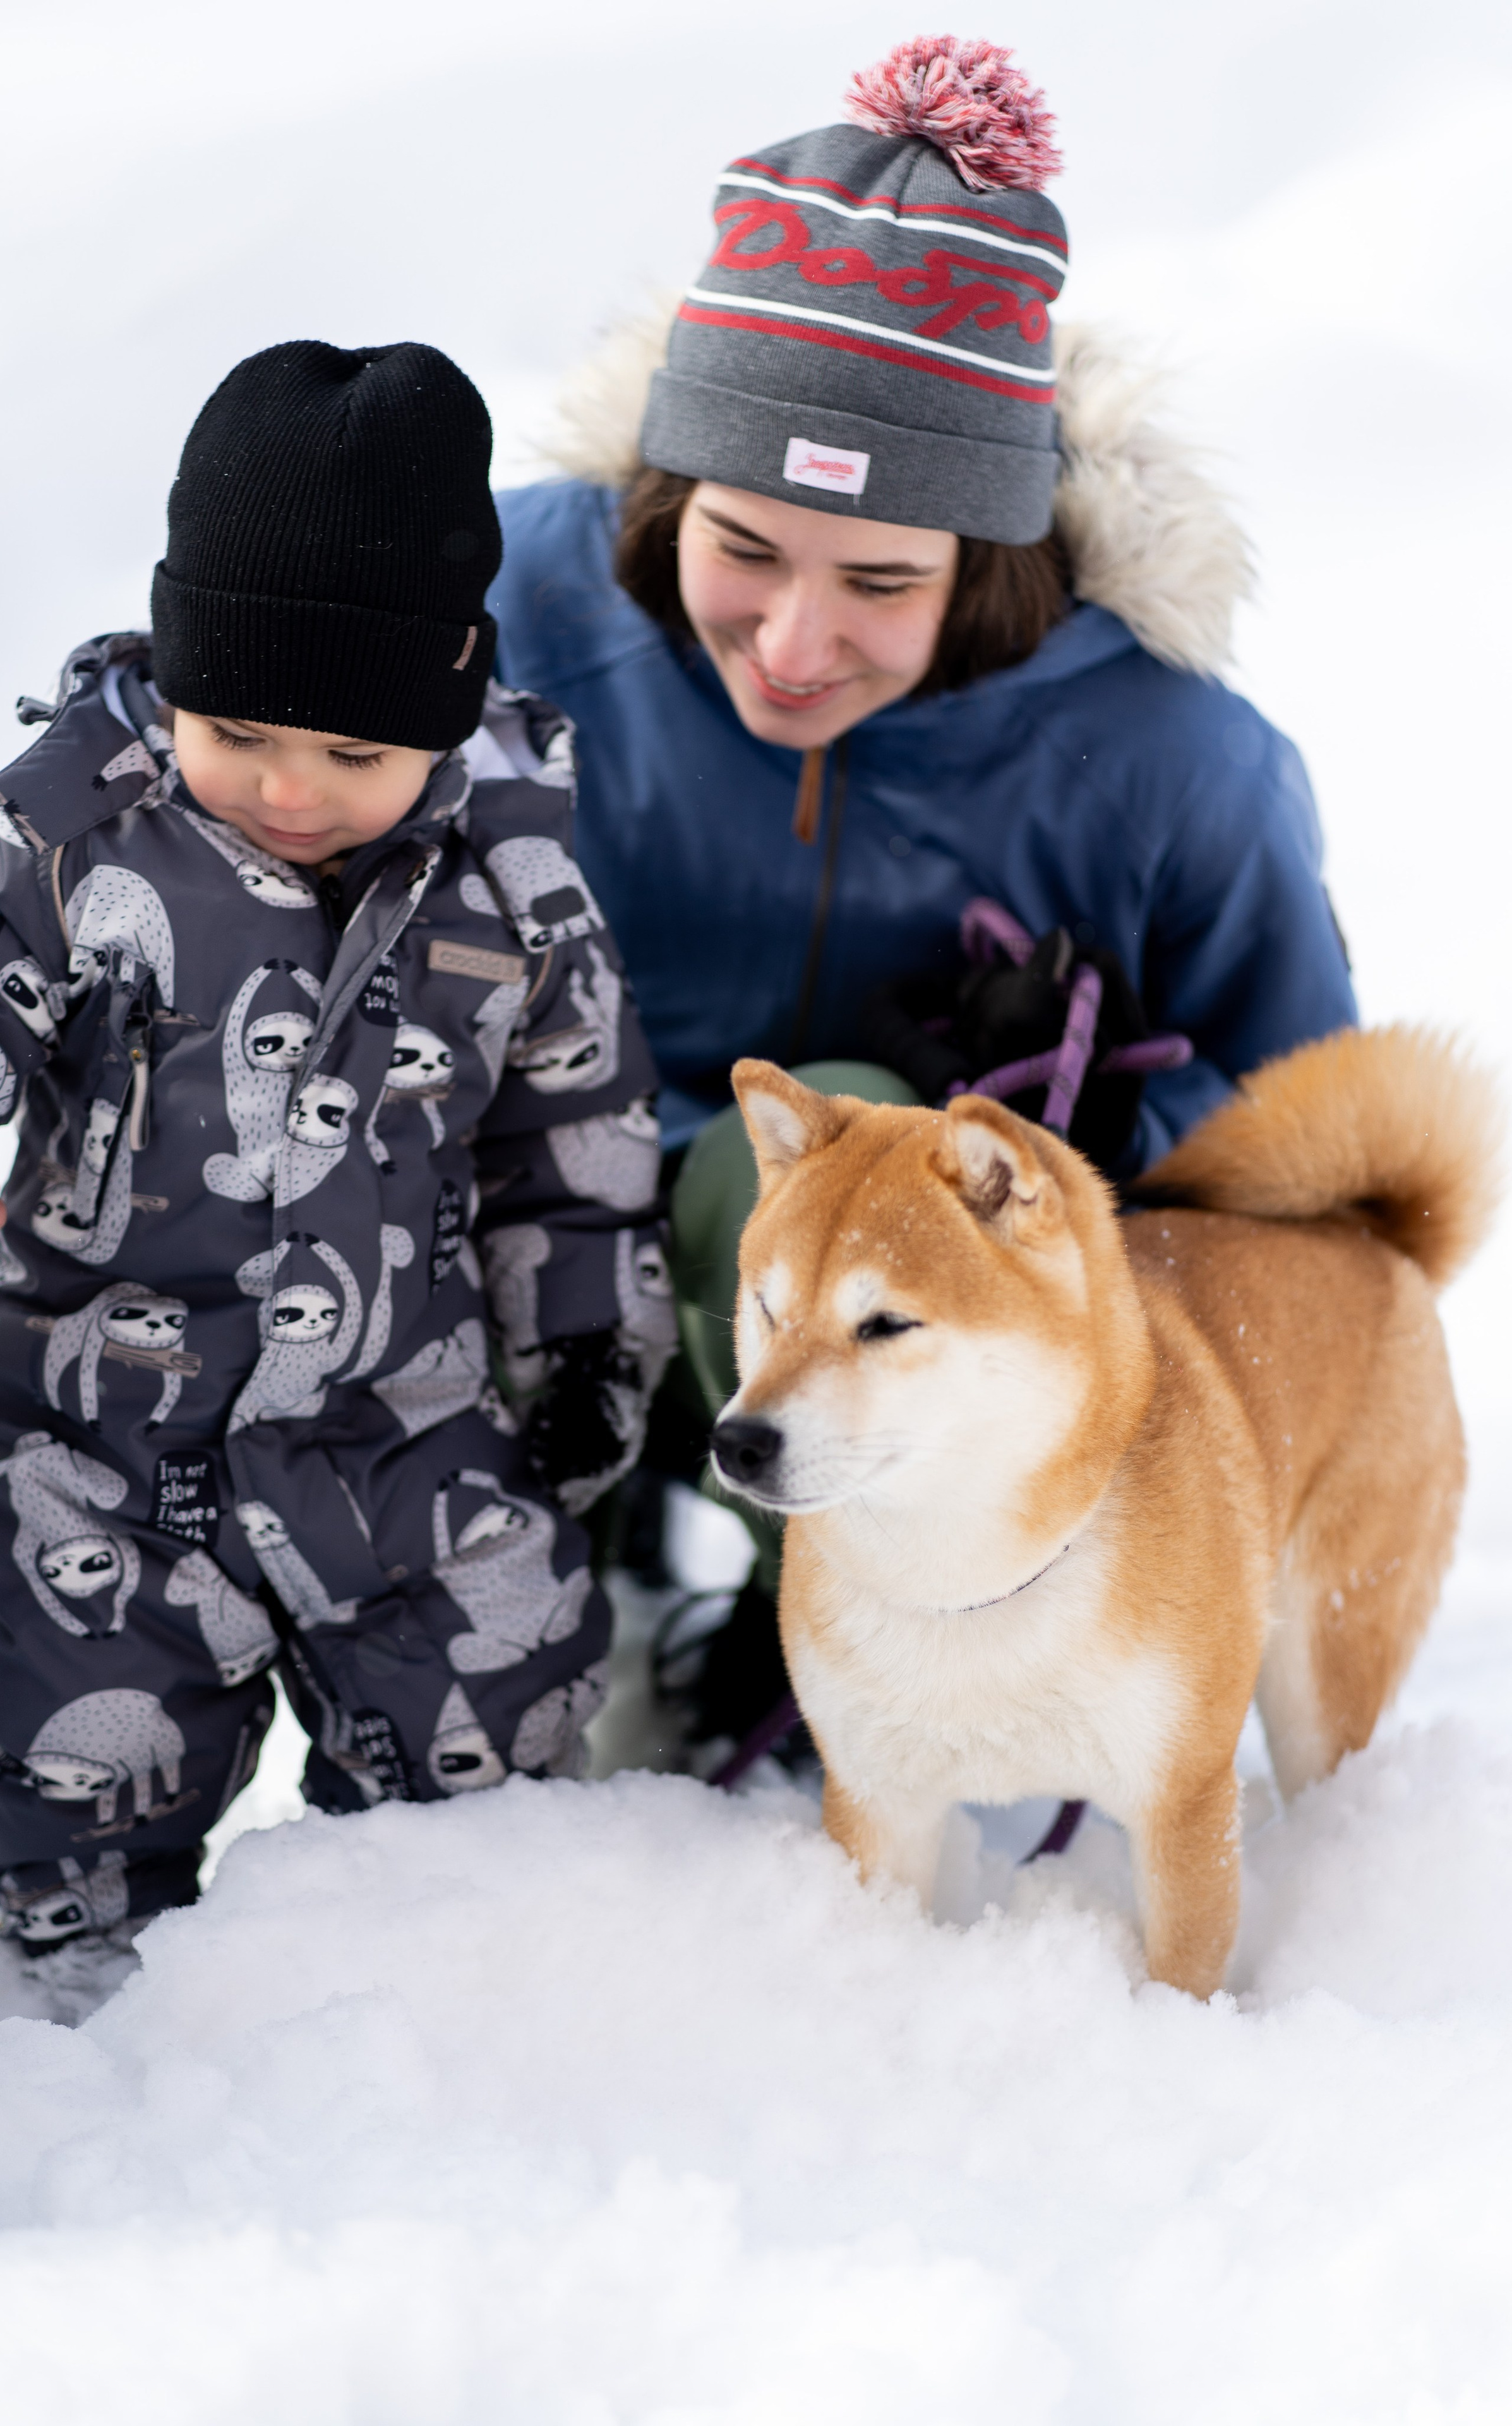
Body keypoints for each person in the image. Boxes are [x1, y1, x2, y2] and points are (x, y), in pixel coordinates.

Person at [488, 36, 1357, 1749]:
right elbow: (201, 783)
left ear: (986, 558)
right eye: (741, 547)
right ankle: (529, 1598)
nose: (793, 644)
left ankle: (867, 1648)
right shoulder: (507, 609)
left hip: (902, 1378)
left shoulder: (1167, 761)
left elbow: (1314, 1169)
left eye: (880, 582)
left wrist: (1100, 1133)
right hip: (528, 1252)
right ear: (669, 488)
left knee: (828, 1144)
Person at [0, 340, 673, 2008]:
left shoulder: (512, 877)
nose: (292, 788)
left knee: (497, 1700)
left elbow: (574, 1130)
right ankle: (85, 2015)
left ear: (444, 718)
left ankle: (434, 1999)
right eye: (237, 729)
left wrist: (588, 1345)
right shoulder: (71, 832)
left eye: (354, 753)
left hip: (406, 1416)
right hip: (97, 1425)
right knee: (85, 1753)